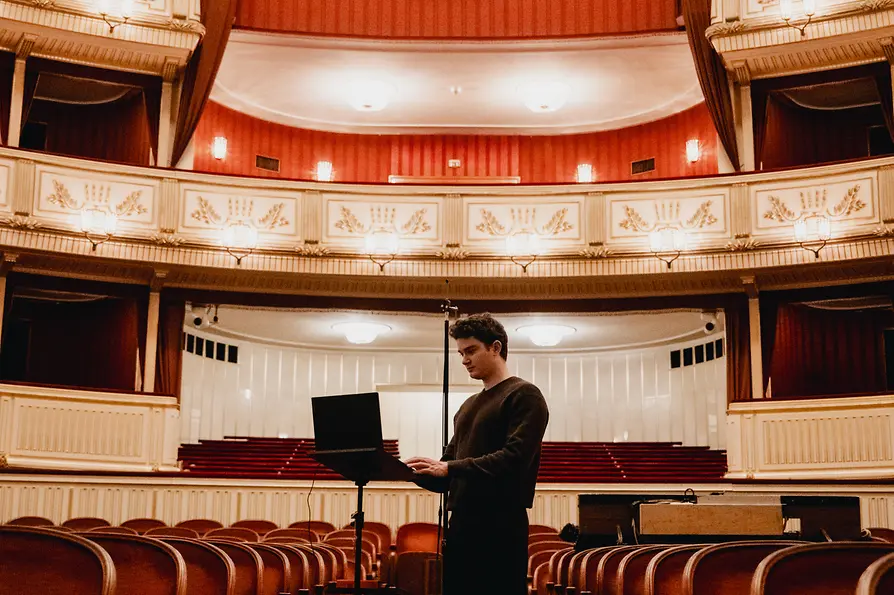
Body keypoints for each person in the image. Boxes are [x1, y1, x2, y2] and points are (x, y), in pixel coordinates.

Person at [406, 313, 549, 595]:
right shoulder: (467, 406)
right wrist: (404, 472)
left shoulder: (524, 395)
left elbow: (514, 458)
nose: (463, 360)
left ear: (495, 347)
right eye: (460, 353)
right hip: (461, 525)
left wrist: (450, 469)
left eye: (470, 351)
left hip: (500, 525)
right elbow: (447, 471)